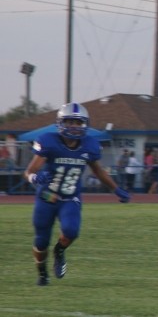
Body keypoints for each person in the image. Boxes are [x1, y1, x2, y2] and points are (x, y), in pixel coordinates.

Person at [23, 102, 131, 286]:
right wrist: (35, 178)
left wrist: (116, 189)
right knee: (41, 241)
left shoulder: (89, 145)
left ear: (85, 124)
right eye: (70, 122)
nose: (74, 126)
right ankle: (42, 273)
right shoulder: (48, 141)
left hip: (70, 196)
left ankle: (59, 251)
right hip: (47, 196)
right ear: (60, 123)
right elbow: (29, 171)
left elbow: (98, 171)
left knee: (72, 231)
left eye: (78, 122)